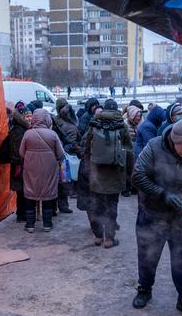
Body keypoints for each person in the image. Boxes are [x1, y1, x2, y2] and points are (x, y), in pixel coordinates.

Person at [132, 119, 182, 316]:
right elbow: (137, 175)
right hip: (152, 212)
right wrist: (163, 194)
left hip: (181, 216)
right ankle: (144, 289)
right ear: (174, 140)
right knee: (148, 254)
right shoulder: (154, 147)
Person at [84, 99, 132, 248]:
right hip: (115, 173)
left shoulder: (94, 124)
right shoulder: (122, 126)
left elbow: (86, 147)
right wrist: (129, 172)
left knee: (96, 205)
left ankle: (98, 236)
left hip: (96, 172)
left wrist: (88, 167)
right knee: (112, 206)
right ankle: (109, 239)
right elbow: (129, 152)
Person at [19, 109, 65, 233]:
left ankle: (30, 225)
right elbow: (60, 154)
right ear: (47, 119)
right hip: (49, 169)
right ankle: (47, 224)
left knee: (30, 193)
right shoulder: (52, 134)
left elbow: (21, 153)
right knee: (47, 194)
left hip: (31, 169)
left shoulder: (28, 134)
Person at [4, 101, 32, 221]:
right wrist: (23, 162)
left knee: (23, 190)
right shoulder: (18, 131)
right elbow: (17, 152)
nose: (29, 119)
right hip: (19, 166)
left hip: (21, 165)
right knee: (22, 190)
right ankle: (21, 214)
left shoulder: (21, 129)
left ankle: (23, 213)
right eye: (27, 117)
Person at [54, 102, 81, 214]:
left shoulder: (59, 120)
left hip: (64, 153)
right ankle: (61, 206)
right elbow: (68, 140)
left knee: (61, 182)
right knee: (62, 182)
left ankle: (58, 206)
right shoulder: (63, 122)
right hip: (64, 155)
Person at [123, 103, 143, 197]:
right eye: (136, 116)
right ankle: (126, 189)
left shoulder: (141, 123)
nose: (138, 118)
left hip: (137, 150)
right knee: (127, 170)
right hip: (127, 150)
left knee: (136, 170)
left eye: (139, 116)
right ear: (131, 115)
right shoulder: (125, 124)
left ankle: (134, 188)